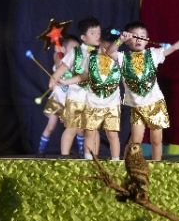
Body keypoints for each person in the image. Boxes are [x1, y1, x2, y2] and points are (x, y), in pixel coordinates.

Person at [106, 19, 179, 161]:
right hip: (137, 107)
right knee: (135, 140)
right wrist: (119, 40)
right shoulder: (123, 58)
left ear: (147, 40)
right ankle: (125, 164)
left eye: (142, 36)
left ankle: (157, 165)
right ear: (128, 40)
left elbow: (174, 47)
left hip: (155, 104)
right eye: (134, 36)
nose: (139, 39)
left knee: (156, 140)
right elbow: (109, 51)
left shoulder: (154, 54)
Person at [60, 28, 122, 160]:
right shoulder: (91, 57)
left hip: (112, 103)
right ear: (100, 42)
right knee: (90, 132)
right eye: (105, 47)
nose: (108, 50)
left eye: (111, 47)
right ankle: (88, 160)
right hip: (93, 102)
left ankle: (116, 162)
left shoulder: (118, 57)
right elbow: (83, 76)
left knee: (112, 134)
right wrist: (66, 81)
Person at [50, 16, 101, 159]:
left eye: (99, 32)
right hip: (75, 96)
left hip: (92, 98)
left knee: (93, 129)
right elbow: (63, 67)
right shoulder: (76, 52)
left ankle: (92, 158)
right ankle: (65, 156)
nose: (97, 35)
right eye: (93, 33)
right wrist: (53, 78)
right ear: (83, 37)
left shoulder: (99, 54)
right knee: (71, 128)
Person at [36, 34, 82, 157]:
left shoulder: (79, 64)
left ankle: (82, 153)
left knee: (80, 128)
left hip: (71, 100)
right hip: (57, 99)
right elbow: (59, 62)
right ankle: (40, 150)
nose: (75, 52)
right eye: (72, 49)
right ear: (63, 49)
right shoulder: (60, 60)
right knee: (51, 126)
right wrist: (58, 52)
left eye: (77, 50)